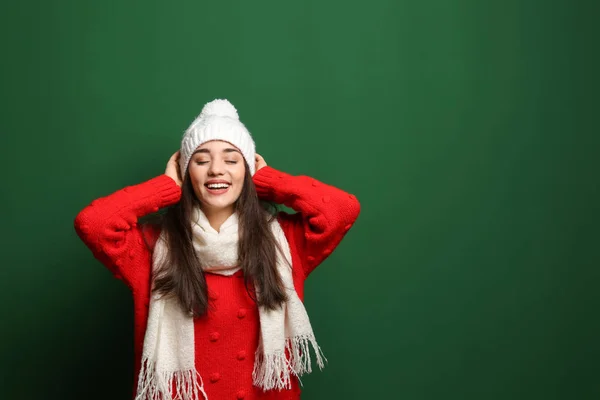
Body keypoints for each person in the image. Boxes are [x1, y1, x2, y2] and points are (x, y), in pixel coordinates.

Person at [74, 99, 361, 400]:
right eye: (200, 160)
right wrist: (165, 186)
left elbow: (342, 210)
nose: (216, 170)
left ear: (247, 170)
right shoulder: (151, 245)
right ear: (186, 173)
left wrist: (267, 180)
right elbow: (93, 223)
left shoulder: (284, 241)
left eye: (232, 160)